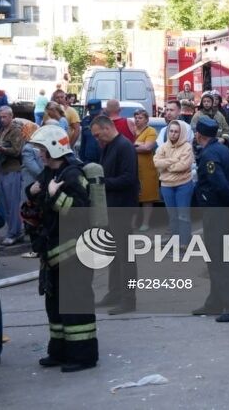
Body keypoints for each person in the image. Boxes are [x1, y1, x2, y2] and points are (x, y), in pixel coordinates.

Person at [26, 125, 98, 372]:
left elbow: (79, 213)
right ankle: (59, 351)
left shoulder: (73, 175)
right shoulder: (48, 174)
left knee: (75, 304)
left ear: (55, 148)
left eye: (42, 150)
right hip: (53, 252)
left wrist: (56, 196)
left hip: (74, 252)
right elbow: (40, 204)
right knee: (54, 305)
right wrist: (32, 192)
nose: (39, 155)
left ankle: (83, 356)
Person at [191, 117, 229, 323]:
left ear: (199, 135)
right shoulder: (224, 151)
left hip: (217, 213)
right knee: (214, 259)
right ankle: (215, 301)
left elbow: (222, 185)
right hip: (223, 212)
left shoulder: (209, 155)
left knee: (221, 259)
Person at [91, 115, 139, 315]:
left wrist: (101, 183)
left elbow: (128, 179)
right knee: (113, 254)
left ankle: (128, 300)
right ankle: (114, 293)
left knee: (125, 256)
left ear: (106, 128)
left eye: (97, 135)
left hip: (122, 208)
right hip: (111, 208)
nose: (96, 139)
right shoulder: (109, 146)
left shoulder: (124, 147)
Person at [0, 106, 25, 246]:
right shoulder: (2, 130)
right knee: (6, 204)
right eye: (0, 117)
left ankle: (13, 233)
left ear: (11, 116)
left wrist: (2, 149)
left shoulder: (16, 131)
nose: (2, 119)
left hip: (12, 170)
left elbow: (16, 151)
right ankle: (15, 231)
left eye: (4, 117)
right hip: (2, 170)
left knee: (12, 204)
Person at [154, 120, 195, 248]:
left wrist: (166, 165)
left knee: (183, 214)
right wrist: (174, 161)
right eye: (171, 131)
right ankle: (174, 240)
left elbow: (184, 165)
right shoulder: (163, 147)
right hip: (166, 186)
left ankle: (184, 242)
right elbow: (156, 163)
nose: (173, 134)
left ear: (181, 133)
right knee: (172, 215)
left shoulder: (187, 147)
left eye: (176, 132)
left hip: (183, 185)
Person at [132, 109, 159, 232]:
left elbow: (147, 147)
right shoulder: (131, 131)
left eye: (140, 117)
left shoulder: (151, 131)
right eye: (136, 117)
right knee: (133, 197)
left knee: (147, 197)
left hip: (147, 168)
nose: (137, 119)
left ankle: (145, 222)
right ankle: (132, 223)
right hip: (133, 168)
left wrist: (131, 146)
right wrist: (138, 145)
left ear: (146, 119)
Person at [78, 99, 103, 164]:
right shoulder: (85, 121)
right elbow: (83, 142)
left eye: (96, 114)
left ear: (101, 110)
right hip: (88, 160)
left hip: (103, 159)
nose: (94, 117)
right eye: (92, 114)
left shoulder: (106, 122)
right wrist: (82, 159)